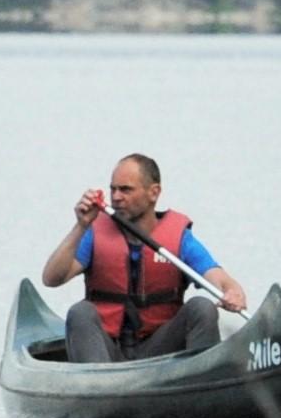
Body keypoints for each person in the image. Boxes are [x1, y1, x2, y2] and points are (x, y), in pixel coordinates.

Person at [39, 152, 248, 363]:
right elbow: (51, 278)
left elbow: (217, 277)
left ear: (153, 193)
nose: (117, 197)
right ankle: (100, 387)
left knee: (202, 307)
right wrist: (81, 226)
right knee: (80, 312)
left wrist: (233, 292)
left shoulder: (179, 238)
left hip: (160, 350)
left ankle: (200, 382)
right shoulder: (94, 232)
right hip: (107, 352)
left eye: (126, 189)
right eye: (113, 189)